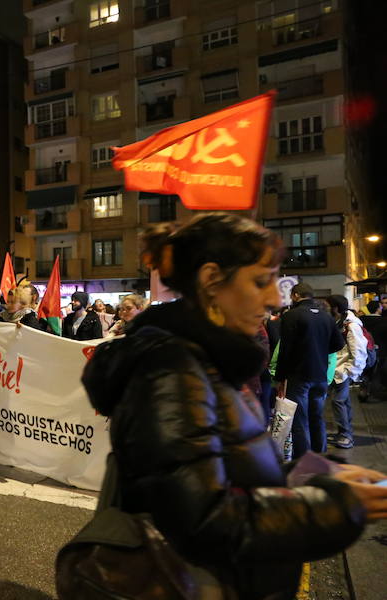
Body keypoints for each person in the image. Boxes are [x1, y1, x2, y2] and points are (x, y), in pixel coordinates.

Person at [80, 213, 385, 599]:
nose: (274, 298)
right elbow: (204, 520)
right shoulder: (172, 372)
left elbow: (228, 471)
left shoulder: (209, 362)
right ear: (211, 280)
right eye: (260, 281)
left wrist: (313, 477)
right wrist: (335, 506)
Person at [274, 283, 345, 458]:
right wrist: (319, 351)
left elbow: (285, 349)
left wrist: (280, 377)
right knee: (317, 418)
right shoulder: (326, 316)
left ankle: (304, 461)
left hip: (298, 376)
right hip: (320, 376)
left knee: (300, 420)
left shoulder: (291, 316)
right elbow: (339, 343)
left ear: (296, 295)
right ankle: (321, 456)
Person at [325, 294, 367, 449]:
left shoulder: (351, 325)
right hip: (336, 369)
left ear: (335, 308)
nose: (325, 308)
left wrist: (348, 371)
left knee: (338, 401)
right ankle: (344, 432)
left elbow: (359, 351)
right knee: (343, 401)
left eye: (327, 305)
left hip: (342, 370)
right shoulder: (339, 322)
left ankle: (346, 435)